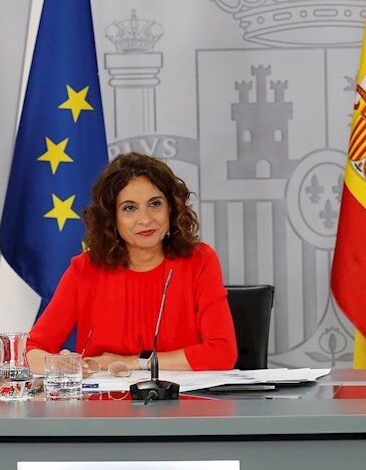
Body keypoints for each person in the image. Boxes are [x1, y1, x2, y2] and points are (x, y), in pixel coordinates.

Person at [25, 153, 237, 374]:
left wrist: (136, 362)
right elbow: (31, 350)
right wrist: (57, 364)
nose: (145, 219)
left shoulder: (199, 261)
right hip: (106, 396)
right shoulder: (85, 269)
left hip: (181, 395)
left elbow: (222, 353)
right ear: (111, 218)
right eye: (129, 208)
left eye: (155, 204)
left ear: (171, 208)